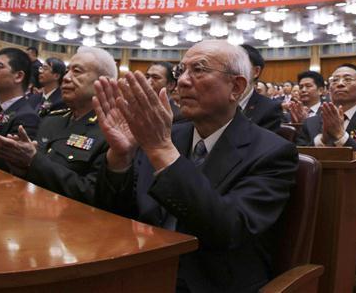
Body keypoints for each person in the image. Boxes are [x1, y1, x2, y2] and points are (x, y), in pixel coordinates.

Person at [93, 40, 297, 292]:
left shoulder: (273, 152)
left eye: (199, 70)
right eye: (181, 71)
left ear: (236, 87)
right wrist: (120, 158)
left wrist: (161, 150)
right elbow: (118, 213)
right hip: (139, 267)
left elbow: (228, 230)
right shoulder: (169, 134)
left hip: (209, 281)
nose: (182, 82)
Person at [0, 47, 116, 204]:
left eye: (77, 71)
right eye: (67, 71)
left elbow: (92, 193)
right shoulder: (52, 119)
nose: (66, 78)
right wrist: (19, 164)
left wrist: (33, 161)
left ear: (104, 82)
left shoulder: (110, 131)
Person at [296, 64, 356, 150]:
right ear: (329, 89)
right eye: (335, 80)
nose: (340, 84)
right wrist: (322, 140)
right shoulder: (310, 123)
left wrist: (341, 135)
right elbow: (301, 161)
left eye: (347, 79)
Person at [237, 44, 283, 132]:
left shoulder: (269, 108)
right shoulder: (217, 102)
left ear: (256, 71)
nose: (231, 69)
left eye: (238, 64)